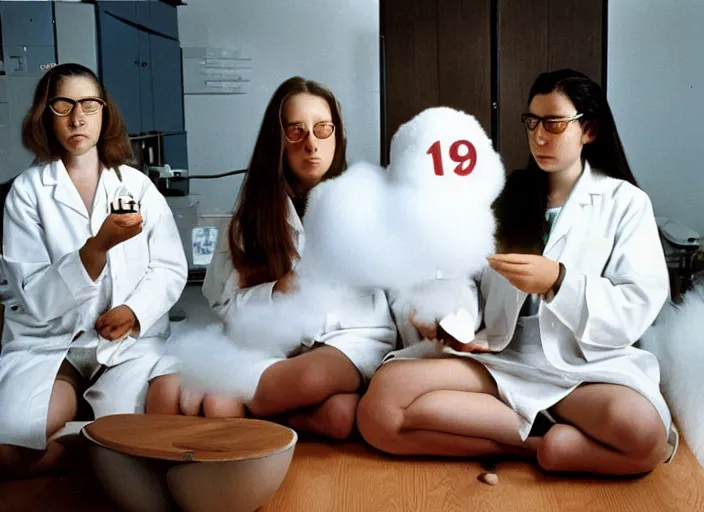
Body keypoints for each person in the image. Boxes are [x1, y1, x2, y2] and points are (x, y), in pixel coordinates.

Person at [357, 69, 677, 475]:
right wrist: (451, 320)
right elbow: (468, 278)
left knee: (644, 432)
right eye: (532, 122)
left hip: (582, 368)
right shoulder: (505, 198)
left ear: (589, 129)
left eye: (554, 123)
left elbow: (637, 305)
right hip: (502, 357)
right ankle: (537, 443)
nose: (540, 136)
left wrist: (558, 282)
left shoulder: (626, 203)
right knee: (378, 411)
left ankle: (525, 425)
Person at [148, 77, 396, 440]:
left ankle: (245, 404)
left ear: (337, 136)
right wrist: (277, 291)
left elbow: (402, 285)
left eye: (322, 129)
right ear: (276, 140)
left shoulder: (370, 205)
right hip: (274, 349)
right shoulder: (251, 220)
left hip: (351, 341)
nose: (311, 143)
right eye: (296, 131)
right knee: (338, 414)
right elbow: (225, 304)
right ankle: (265, 412)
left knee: (307, 380)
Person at [0, 63, 188, 478]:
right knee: (11, 445)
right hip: (53, 344)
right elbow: (35, 294)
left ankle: (97, 451)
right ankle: (86, 451)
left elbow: (170, 266)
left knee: (133, 441)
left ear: (105, 113)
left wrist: (135, 311)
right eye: (63, 105)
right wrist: (97, 247)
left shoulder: (136, 186)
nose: (77, 117)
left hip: (124, 347)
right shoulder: (28, 193)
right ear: (44, 116)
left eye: (89, 104)